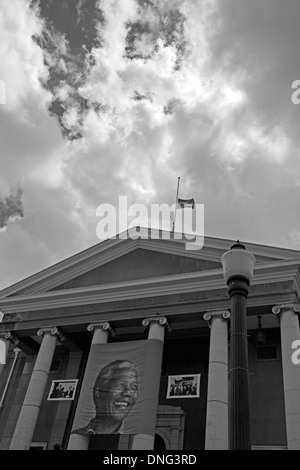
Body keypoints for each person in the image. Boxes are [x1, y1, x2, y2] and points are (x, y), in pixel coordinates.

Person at [71, 359, 138, 435]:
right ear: (98, 392)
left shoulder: (137, 442)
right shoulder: (75, 437)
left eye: (134, 387)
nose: (128, 393)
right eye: (120, 385)